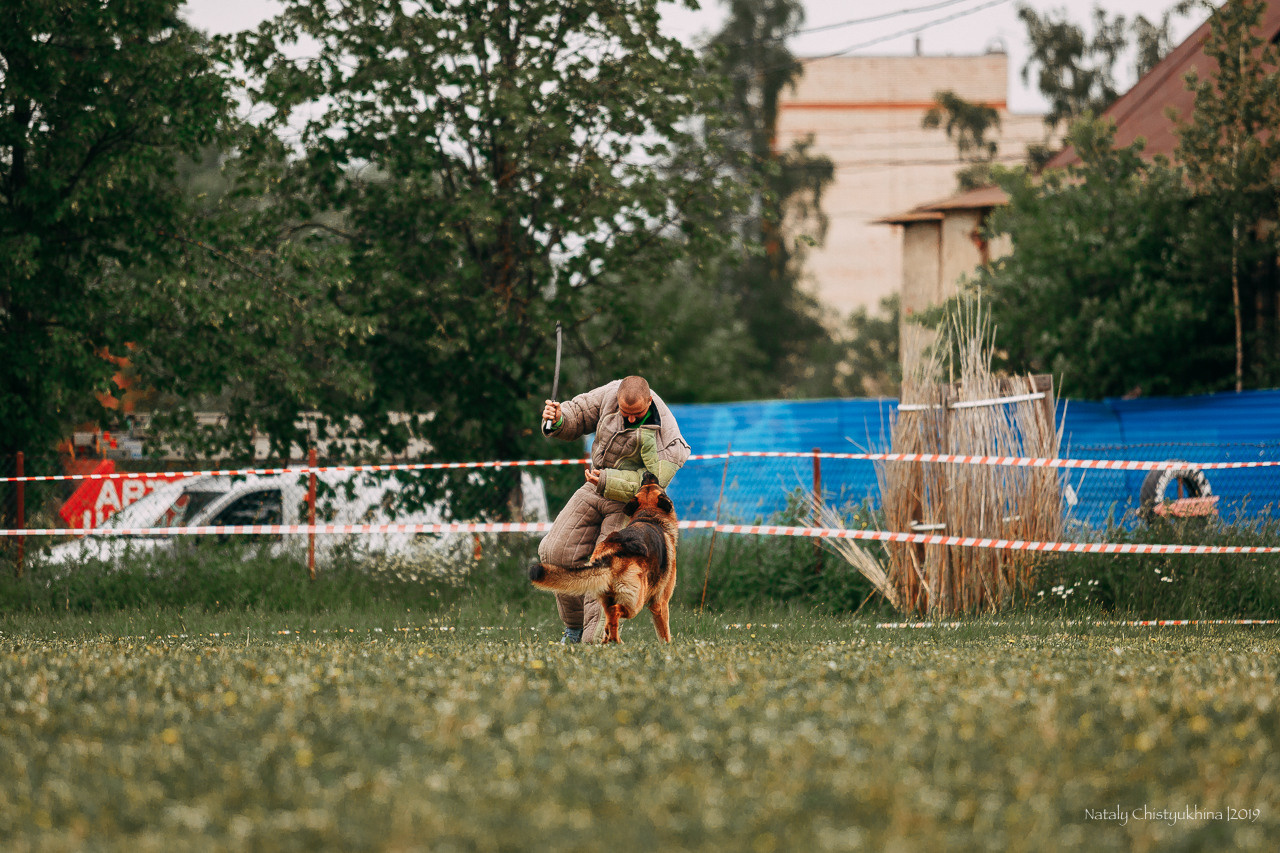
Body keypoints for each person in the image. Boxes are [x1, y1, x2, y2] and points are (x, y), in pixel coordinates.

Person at [537, 375, 690, 643]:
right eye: (624, 413)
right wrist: (558, 418)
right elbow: (580, 412)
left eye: (637, 414)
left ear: (650, 401)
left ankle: (593, 640)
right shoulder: (610, 393)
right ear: (617, 399)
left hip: (631, 504)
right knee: (554, 550)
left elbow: (654, 480)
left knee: (607, 568)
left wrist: (609, 480)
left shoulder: (669, 436)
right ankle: (573, 630)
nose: (630, 419)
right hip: (595, 485)